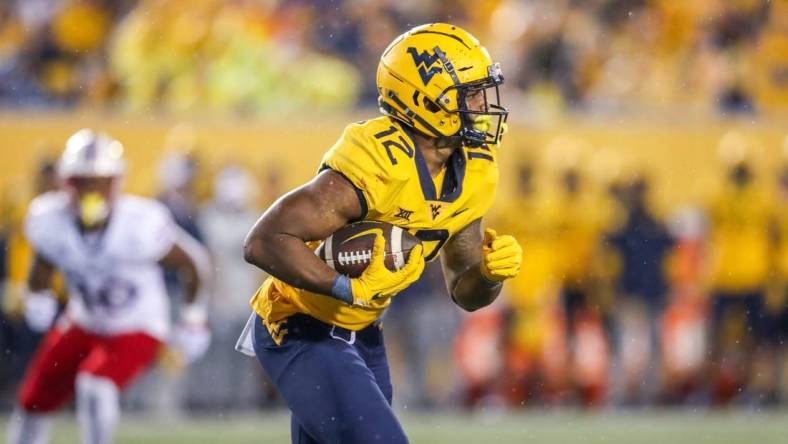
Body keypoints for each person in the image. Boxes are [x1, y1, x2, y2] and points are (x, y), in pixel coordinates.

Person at [238, 23, 523, 444]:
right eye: (469, 93)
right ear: (425, 100)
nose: (482, 104)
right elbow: (263, 240)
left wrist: (489, 276)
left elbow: (465, 292)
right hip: (300, 325)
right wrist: (343, 288)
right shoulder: (378, 159)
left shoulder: (476, 167)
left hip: (364, 333)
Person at [6, 129, 212, 444]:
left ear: (114, 183)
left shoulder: (139, 223)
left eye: (98, 182)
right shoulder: (49, 218)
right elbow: (45, 259)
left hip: (137, 324)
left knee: (95, 386)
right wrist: (38, 294)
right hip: (84, 319)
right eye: (81, 182)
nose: (91, 190)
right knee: (33, 399)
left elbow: (195, 262)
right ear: (66, 183)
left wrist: (193, 320)